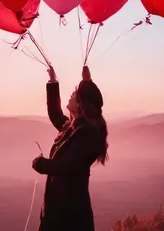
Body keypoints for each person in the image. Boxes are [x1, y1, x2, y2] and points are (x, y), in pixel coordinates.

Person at [31, 65, 109, 231]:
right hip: (59, 212)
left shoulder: (87, 133)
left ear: (80, 104)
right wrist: (53, 81)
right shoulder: (73, 127)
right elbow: (55, 115)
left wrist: (41, 164)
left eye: (75, 93)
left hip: (70, 217)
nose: (71, 94)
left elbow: (67, 165)